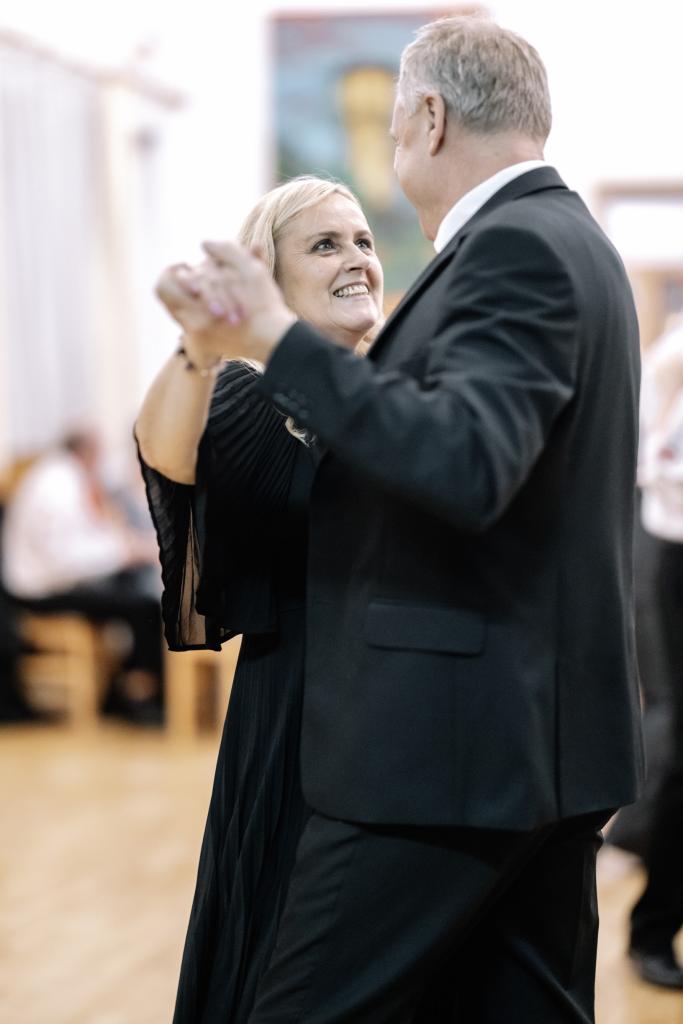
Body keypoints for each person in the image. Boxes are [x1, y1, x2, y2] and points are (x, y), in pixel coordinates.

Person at [173, 14, 645, 1023]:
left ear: (427, 117)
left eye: (392, 123)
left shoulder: (512, 245)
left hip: (444, 750)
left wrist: (273, 334)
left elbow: (466, 462)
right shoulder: (575, 242)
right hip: (533, 741)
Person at [135, 176, 384, 1022]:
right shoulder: (249, 392)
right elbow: (169, 455)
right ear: (268, 280)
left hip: (395, 711)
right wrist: (200, 345)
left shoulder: (397, 390)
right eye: (325, 244)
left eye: (362, 241)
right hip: (298, 713)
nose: (356, 259)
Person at [1, 430, 163, 724]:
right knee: (143, 607)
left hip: (49, 581)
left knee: (133, 593)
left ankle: (119, 691)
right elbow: (65, 560)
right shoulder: (58, 485)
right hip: (41, 590)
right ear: (90, 453)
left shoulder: (60, 477)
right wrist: (123, 553)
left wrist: (122, 549)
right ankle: (141, 696)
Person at [627, 318, 683, 988]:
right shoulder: (676, 350)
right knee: (679, 746)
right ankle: (651, 932)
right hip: (673, 551)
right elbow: (657, 460)